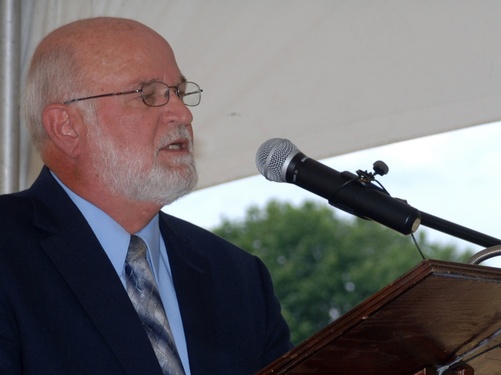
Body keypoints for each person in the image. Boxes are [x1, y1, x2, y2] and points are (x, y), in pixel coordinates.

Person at [0, 17, 293, 374]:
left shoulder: (236, 277)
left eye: (180, 92)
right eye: (147, 94)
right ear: (67, 127)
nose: (183, 114)